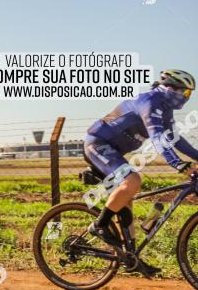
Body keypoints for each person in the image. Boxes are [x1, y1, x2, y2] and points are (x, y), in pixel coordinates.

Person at [84, 69, 197, 275]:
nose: (187, 98)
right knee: (133, 180)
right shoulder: (150, 101)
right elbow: (157, 138)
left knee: (127, 199)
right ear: (171, 89)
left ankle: (131, 257)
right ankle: (99, 225)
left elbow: (175, 139)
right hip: (98, 144)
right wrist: (177, 164)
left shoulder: (165, 109)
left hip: (114, 151)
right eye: (186, 93)